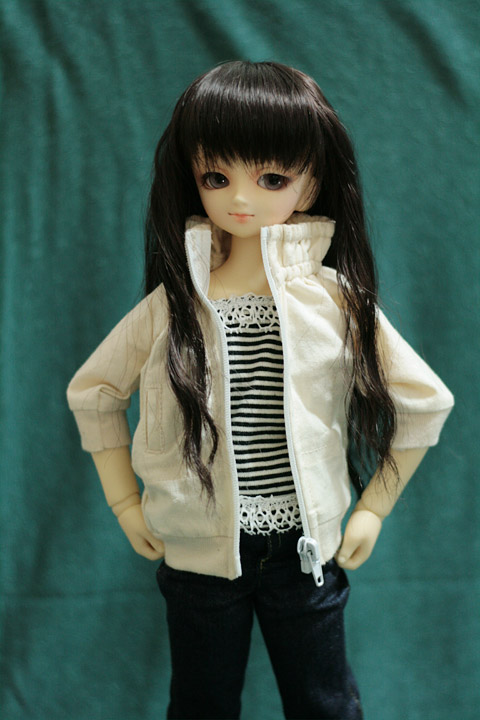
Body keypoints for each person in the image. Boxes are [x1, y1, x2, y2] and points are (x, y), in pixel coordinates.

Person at [67, 61, 454, 719]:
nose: (240, 198)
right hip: (198, 550)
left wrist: (372, 510)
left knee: (325, 703)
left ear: (311, 184)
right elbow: (95, 391)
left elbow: (425, 401)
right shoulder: (174, 305)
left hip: (304, 550)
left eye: (271, 178)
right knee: (202, 703)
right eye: (216, 177)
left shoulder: (334, 301)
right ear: (191, 178)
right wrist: (124, 503)